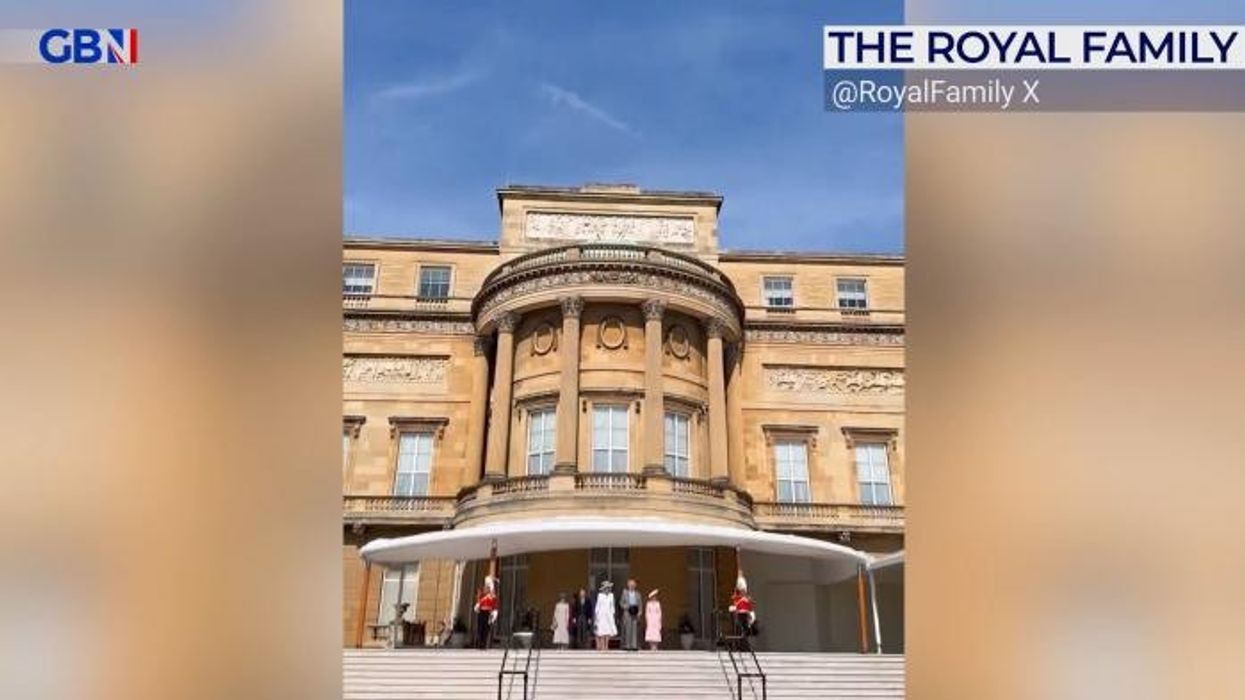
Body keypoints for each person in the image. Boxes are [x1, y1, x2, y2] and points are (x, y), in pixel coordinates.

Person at [473, 575, 499, 649]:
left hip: (488, 613)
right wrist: (477, 605)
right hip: (481, 612)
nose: (486, 588)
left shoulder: (492, 596)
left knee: (486, 629)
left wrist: (494, 613)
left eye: (488, 587)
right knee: (480, 628)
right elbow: (478, 602)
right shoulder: (482, 595)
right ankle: (479, 643)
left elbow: (495, 606)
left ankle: (484, 644)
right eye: (485, 586)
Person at [728, 574, 756, 640]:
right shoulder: (739, 599)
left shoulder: (744, 600)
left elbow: (750, 608)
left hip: (744, 615)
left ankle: (745, 631)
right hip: (741, 615)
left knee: (744, 621)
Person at [593, 580, 617, 650]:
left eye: (608, 588)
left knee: (608, 631)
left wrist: (613, 613)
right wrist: (596, 615)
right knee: (602, 631)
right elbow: (598, 605)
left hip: (609, 614)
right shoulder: (600, 595)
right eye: (606, 588)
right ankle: (602, 645)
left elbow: (612, 605)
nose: (607, 589)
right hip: (601, 614)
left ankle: (606, 645)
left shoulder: (611, 595)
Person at [619, 578, 642, 651]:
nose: (632, 586)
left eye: (633, 584)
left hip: (635, 612)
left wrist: (640, 612)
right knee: (628, 629)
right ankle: (627, 645)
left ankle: (634, 645)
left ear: (635, 585)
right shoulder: (625, 593)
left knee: (634, 629)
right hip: (627, 612)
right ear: (628, 585)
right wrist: (626, 607)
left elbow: (640, 604)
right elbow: (621, 603)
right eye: (630, 584)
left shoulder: (638, 594)